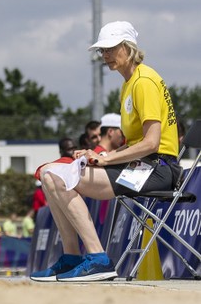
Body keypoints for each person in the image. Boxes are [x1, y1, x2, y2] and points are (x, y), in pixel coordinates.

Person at [32, 21, 180, 282]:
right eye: (102, 50)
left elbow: (151, 144)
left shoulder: (143, 81)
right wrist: (97, 155)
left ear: (127, 47)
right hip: (143, 166)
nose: (105, 55)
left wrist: (107, 157)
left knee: (56, 176)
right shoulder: (130, 83)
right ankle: (72, 258)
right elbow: (136, 143)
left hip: (158, 169)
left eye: (110, 48)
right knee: (48, 173)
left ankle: (98, 259)